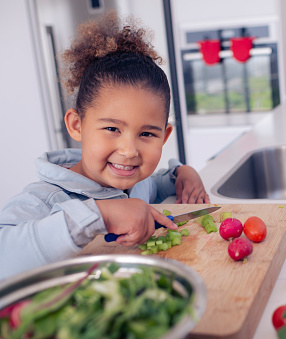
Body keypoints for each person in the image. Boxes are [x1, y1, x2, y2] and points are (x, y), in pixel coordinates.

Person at [0, 11, 210, 281]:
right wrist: (100, 214)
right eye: (112, 129)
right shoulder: (44, 200)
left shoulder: (134, 182)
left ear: (165, 136)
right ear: (77, 125)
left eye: (146, 134)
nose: (129, 150)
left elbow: (155, 186)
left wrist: (182, 174)